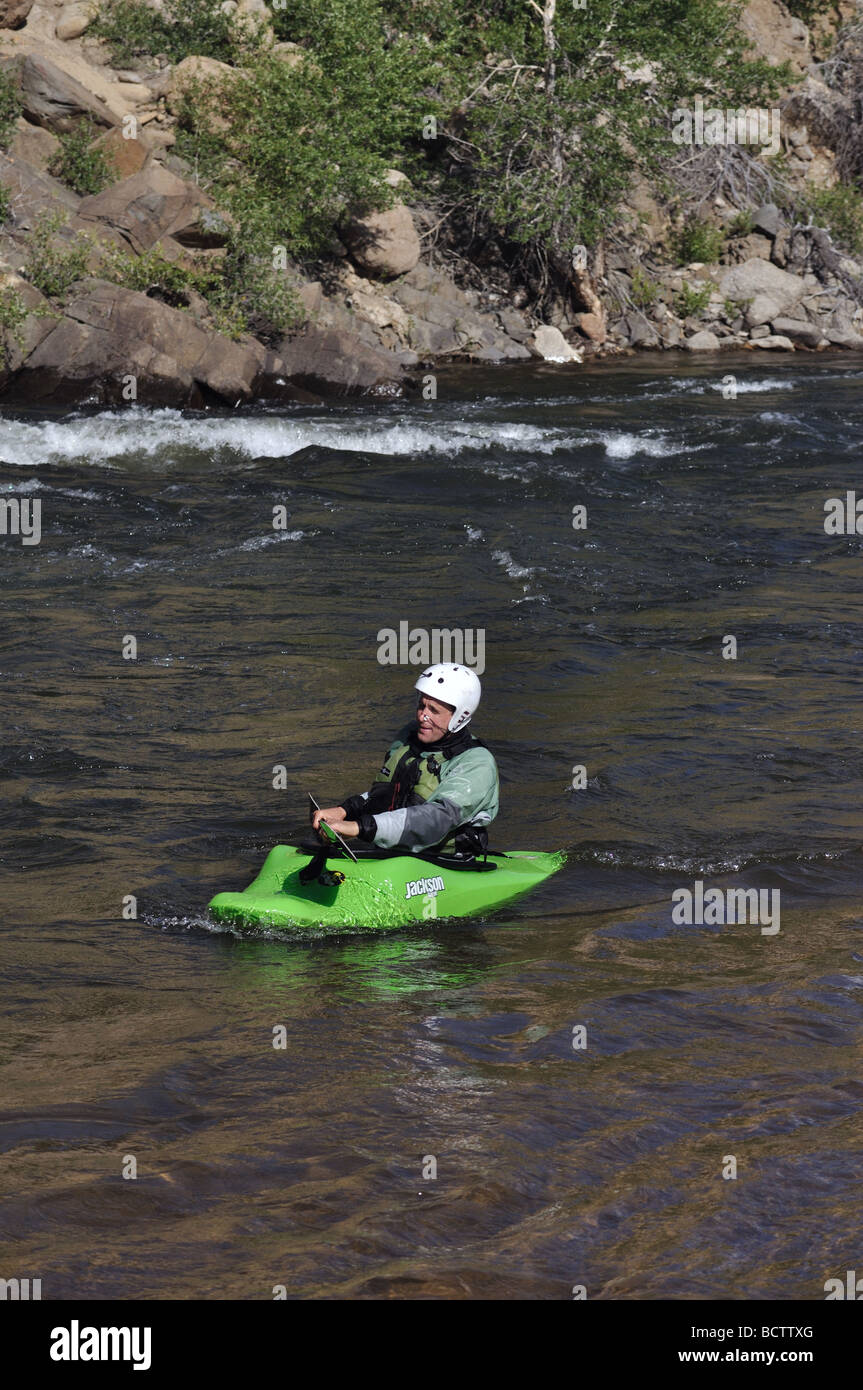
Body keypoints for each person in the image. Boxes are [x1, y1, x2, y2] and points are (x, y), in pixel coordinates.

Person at [311, 663, 499, 858]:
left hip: (444, 860)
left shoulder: (477, 764)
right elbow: (389, 793)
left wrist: (360, 827)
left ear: (460, 716)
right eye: (421, 706)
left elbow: (437, 818)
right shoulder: (409, 738)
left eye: (433, 711)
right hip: (393, 851)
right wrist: (345, 811)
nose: (422, 716)